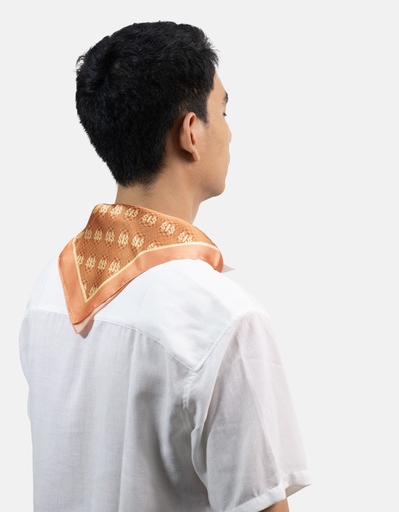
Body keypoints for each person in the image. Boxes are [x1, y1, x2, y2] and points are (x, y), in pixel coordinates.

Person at [19, 21, 311, 512]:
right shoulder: (223, 320)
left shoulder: (47, 291)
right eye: (223, 111)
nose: (230, 132)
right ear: (190, 132)